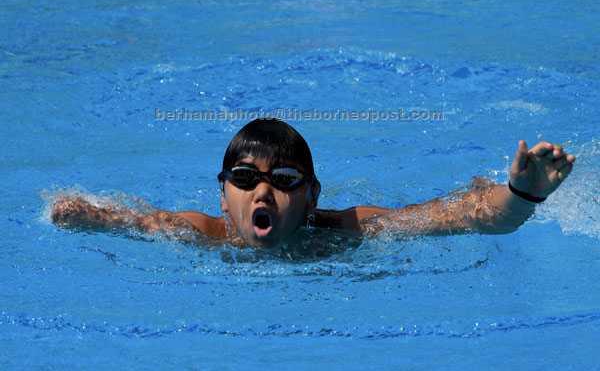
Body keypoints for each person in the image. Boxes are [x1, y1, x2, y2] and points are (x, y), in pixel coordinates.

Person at [51, 118, 576, 249]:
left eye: (282, 180)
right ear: (222, 193)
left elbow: (461, 215)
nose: (261, 192)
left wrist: (523, 193)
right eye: (243, 178)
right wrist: (86, 215)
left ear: (311, 197)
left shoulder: (346, 231)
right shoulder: (202, 235)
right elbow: (131, 220)